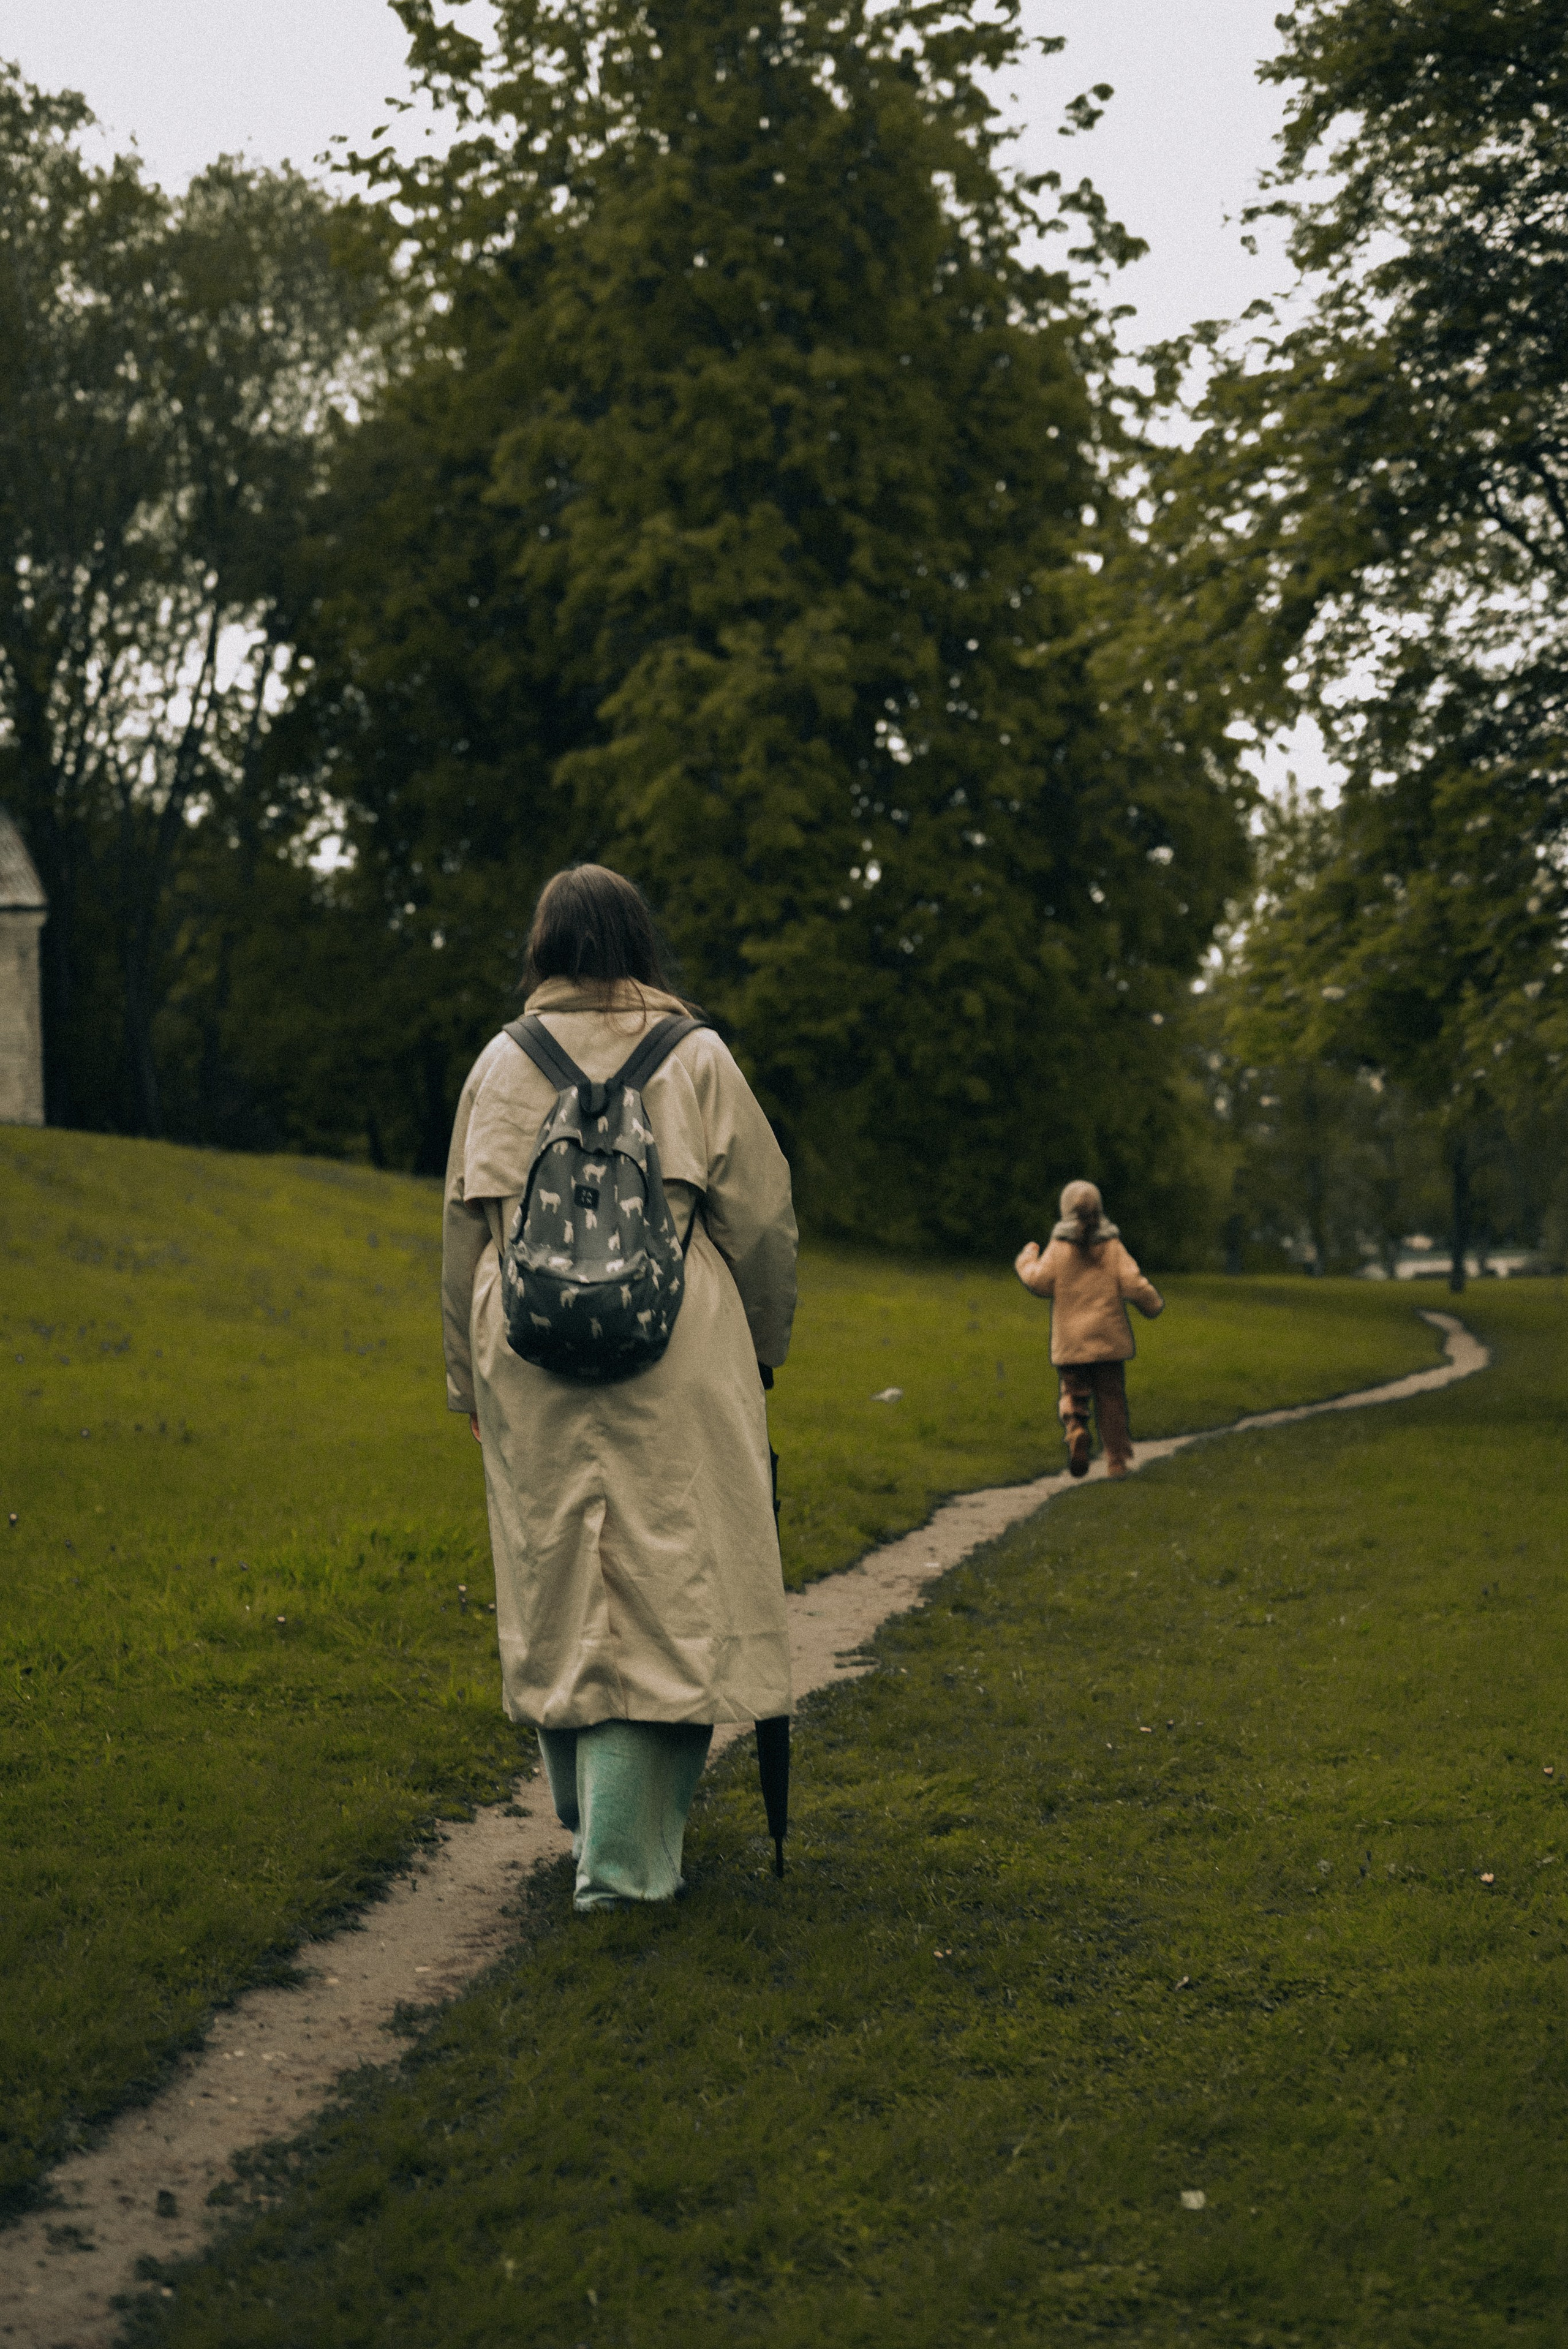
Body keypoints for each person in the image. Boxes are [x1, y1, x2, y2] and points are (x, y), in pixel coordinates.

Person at [441, 865, 797, 1911]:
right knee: (669, 1582)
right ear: (642, 946)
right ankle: (625, 1860)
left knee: (561, 1572)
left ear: (543, 950)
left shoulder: (500, 1067)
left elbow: (464, 1241)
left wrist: (470, 1386)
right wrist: (763, 1350)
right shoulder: (699, 1059)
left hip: (530, 1356)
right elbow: (763, 1226)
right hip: (676, 1356)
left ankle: (589, 1803)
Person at [1013, 1179, 1164, 1480]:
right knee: (1111, 1399)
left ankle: (1076, 1430)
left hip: (1071, 1342)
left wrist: (1026, 1260)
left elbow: (1039, 1283)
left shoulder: (1058, 1248)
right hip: (1109, 1340)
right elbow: (1133, 1283)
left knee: (1073, 1393)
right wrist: (1153, 1305)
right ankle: (1116, 1462)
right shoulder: (1111, 1246)